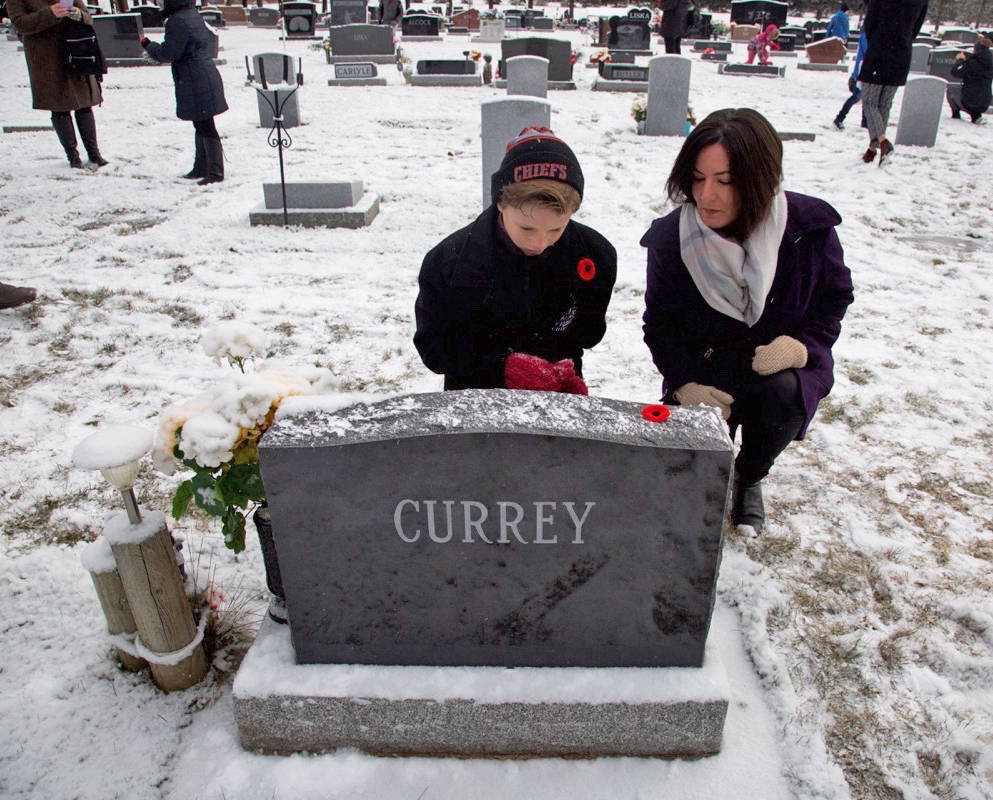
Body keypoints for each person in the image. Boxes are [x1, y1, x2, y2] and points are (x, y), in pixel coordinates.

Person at [641, 108, 854, 535]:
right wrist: (683, 382)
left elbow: (834, 299)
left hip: (773, 368)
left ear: (759, 179)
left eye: (725, 181)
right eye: (698, 179)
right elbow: (659, 324)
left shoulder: (806, 229)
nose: (707, 196)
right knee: (677, 496)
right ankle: (710, 465)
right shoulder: (672, 239)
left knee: (785, 393)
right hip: (706, 371)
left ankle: (750, 475)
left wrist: (804, 347)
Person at [414, 127, 616, 394]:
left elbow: (588, 334)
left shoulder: (594, 255)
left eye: (556, 230)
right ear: (500, 203)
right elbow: (434, 350)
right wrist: (502, 367)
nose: (540, 243)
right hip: (474, 395)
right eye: (527, 229)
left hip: (555, 389)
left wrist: (564, 369)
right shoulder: (448, 262)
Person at [7, 0, 108, 169]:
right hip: (45, 57)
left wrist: (79, 14)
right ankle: (73, 156)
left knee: (84, 103)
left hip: (76, 50)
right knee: (59, 105)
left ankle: (94, 153)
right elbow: (20, 24)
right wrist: (50, 13)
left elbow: (88, 17)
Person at [140, 0, 228, 185]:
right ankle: (201, 166)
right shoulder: (191, 13)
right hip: (202, 72)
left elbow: (169, 53)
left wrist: (148, 44)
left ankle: (215, 171)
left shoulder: (177, 20)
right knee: (200, 122)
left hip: (194, 76)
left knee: (205, 125)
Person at [857, 0, 929, 165]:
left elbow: (871, 22)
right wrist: (903, 41)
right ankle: (872, 149)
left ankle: (882, 141)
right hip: (901, 53)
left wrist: (878, 41)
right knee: (884, 104)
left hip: (880, 50)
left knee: (869, 102)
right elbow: (916, 28)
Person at [949, 36, 993, 124]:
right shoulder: (991, 62)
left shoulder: (973, 62)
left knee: (950, 90)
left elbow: (955, 72)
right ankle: (976, 116)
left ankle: (956, 115)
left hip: (970, 101)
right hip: (986, 101)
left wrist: (960, 60)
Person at [833, 30, 867, 129]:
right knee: (856, 97)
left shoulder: (868, 35)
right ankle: (839, 118)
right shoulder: (867, 36)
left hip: (864, 70)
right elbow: (868, 52)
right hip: (862, 71)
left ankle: (865, 122)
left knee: (865, 98)